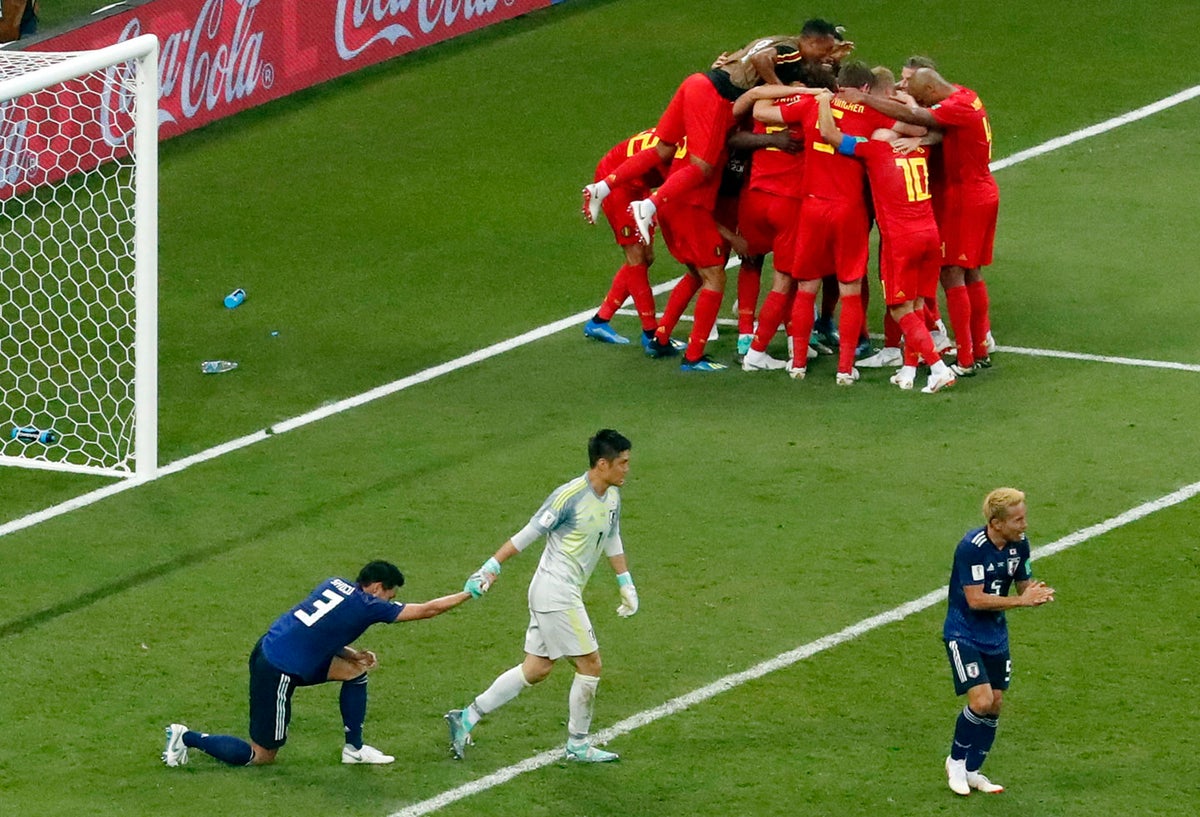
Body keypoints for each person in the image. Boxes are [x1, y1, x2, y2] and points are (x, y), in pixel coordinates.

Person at [444, 429, 638, 763]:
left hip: (560, 591)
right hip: (556, 592)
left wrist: (625, 582)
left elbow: (612, 536)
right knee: (590, 665)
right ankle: (577, 745)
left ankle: (466, 717)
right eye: (622, 463)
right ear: (602, 464)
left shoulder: (613, 497)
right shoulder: (570, 496)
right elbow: (530, 532)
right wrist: (491, 567)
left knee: (536, 668)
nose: (627, 470)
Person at [162, 561, 474, 768]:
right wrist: (469, 593)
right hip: (279, 668)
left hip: (276, 647)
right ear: (377, 587)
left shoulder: (334, 583)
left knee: (355, 672)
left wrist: (351, 654)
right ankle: (185, 737)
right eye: (389, 595)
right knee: (262, 755)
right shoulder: (367, 606)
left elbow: (320, 629)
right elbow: (427, 610)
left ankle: (354, 749)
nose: (388, 601)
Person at [841, 67, 1000, 375]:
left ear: (928, 91)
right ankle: (980, 345)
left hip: (963, 199)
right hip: (981, 191)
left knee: (953, 274)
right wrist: (925, 137)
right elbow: (932, 123)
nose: (903, 87)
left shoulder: (952, 107)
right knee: (970, 273)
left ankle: (967, 358)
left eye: (909, 84)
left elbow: (920, 119)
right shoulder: (963, 94)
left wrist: (863, 99)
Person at [814, 89, 956, 393]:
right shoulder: (918, 149)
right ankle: (907, 369)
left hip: (901, 241)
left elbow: (829, 134)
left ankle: (937, 367)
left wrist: (824, 101)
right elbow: (929, 127)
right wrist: (909, 104)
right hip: (930, 235)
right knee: (916, 305)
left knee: (899, 310)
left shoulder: (873, 150)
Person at [942, 488, 1055, 795]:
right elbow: (975, 600)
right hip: (964, 632)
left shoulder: (1020, 545)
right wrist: (1021, 602)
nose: (1024, 525)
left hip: (995, 635)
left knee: (996, 705)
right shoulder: (972, 547)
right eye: (1017, 520)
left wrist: (1036, 592)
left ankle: (973, 770)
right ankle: (956, 762)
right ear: (996, 522)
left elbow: (1023, 583)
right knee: (980, 701)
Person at [582, 129, 669, 350]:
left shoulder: (678, 136)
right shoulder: (676, 150)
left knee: (646, 257)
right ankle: (650, 333)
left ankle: (600, 321)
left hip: (637, 183)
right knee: (636, 258)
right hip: (617, 182)